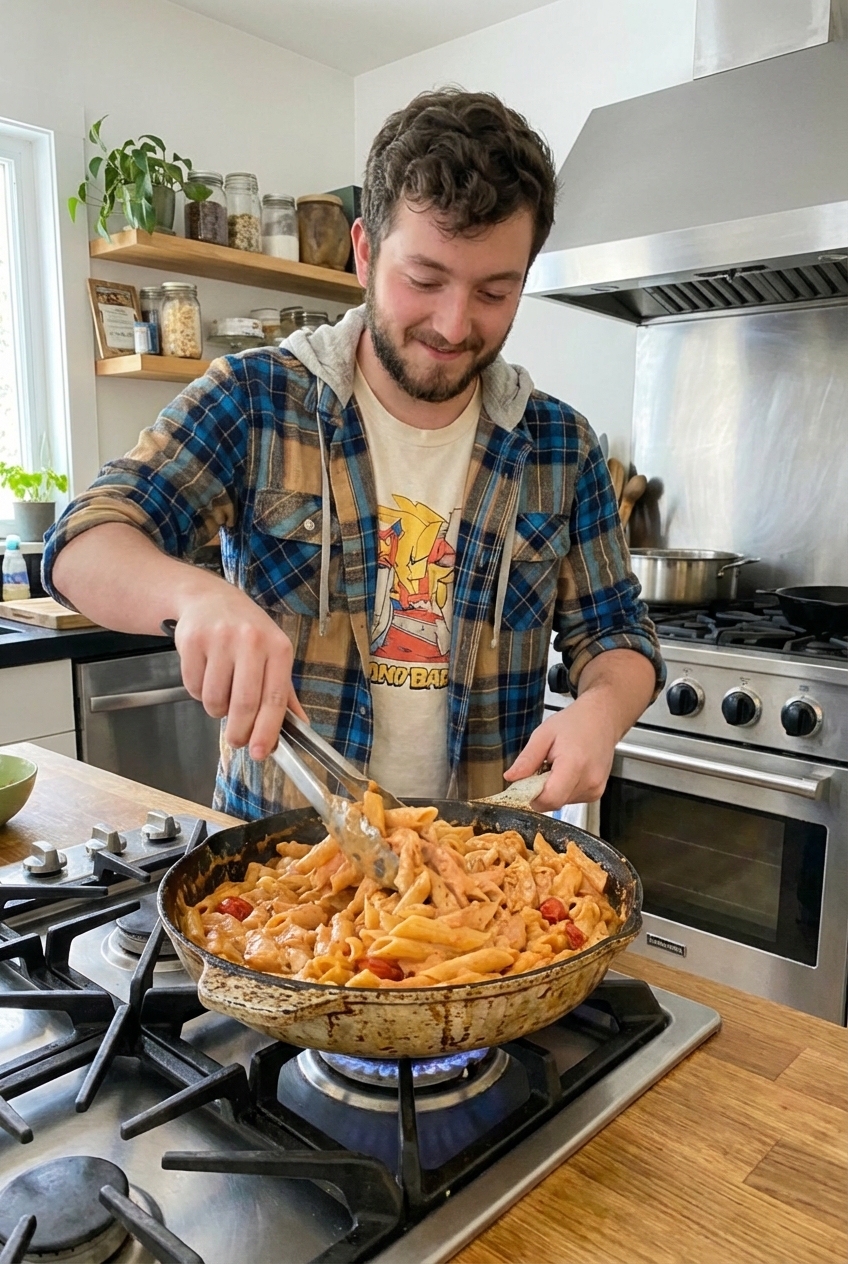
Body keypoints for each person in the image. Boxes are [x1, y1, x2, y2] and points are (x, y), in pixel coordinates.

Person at [45, 89, 664, 820]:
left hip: (482, 877)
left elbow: (618, 635)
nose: (454, 323)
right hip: (278, 867)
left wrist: (601, 712)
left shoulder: (561, 447)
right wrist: (195, 596)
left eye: (496, 290)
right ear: (365, 251)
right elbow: (82, 543)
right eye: (424, 280)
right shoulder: (255, 399)